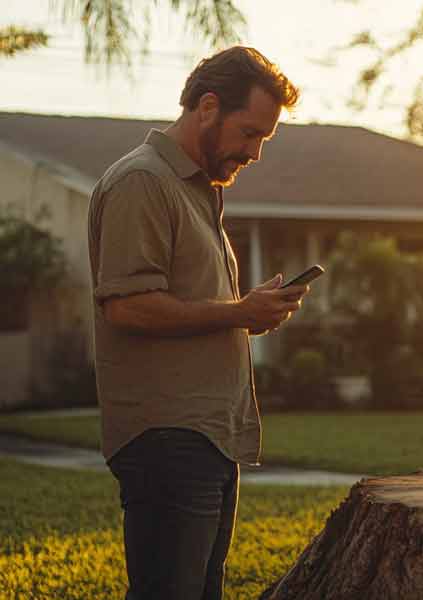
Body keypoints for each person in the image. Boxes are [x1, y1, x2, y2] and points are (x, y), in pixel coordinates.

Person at [87, 46, 306, 600]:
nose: (254, 153)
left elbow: (186, 308)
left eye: (263, 140)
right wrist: (238, 312)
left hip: (206, 436)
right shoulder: (142, 182)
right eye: (250, 133)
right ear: (208, 107)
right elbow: (128, 305)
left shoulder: (195, 188)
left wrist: (248, 316)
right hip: (167, 438)